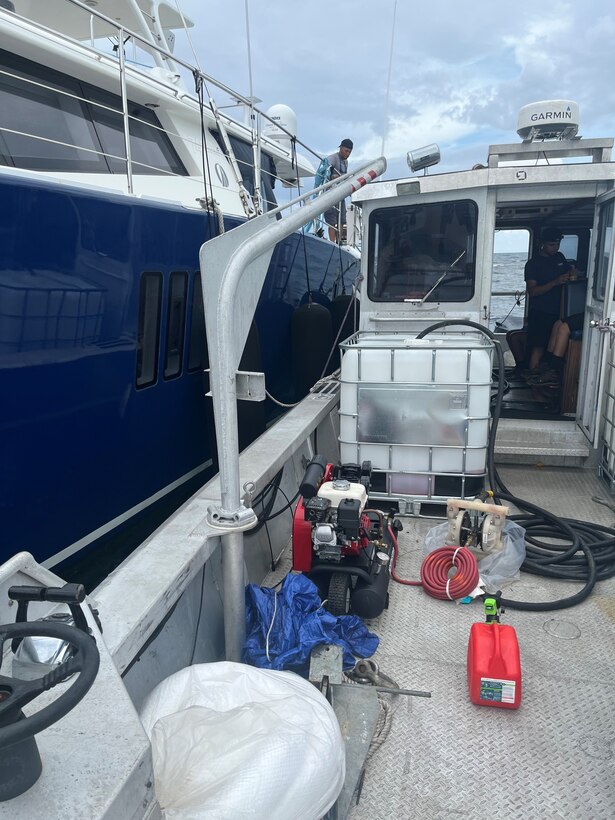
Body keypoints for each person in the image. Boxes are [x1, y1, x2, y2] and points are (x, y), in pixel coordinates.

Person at [523, 226, 578, 380]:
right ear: (542, 244)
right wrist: (555, 282)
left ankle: (547, 381)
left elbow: (570, 270)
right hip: (541, 311)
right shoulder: (533, 264)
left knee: (553, 348)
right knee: (538, 348)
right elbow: (532, 291)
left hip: (560, 311)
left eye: (557, 244)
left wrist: (572, 273)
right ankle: (532, 383)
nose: (556, 248)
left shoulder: (559, 257)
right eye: (552, 245)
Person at [323, 139, 353, 242]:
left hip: (340, 194)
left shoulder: (346, 161)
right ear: (340, 148)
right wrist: (332, 176)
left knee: (342, 219)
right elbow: (323, 168)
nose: (347, 154)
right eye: (346, 151)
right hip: (330, 194)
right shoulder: (333, 158)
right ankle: (332, 242)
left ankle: (339, 241)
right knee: (332, 220)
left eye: (349, 152)